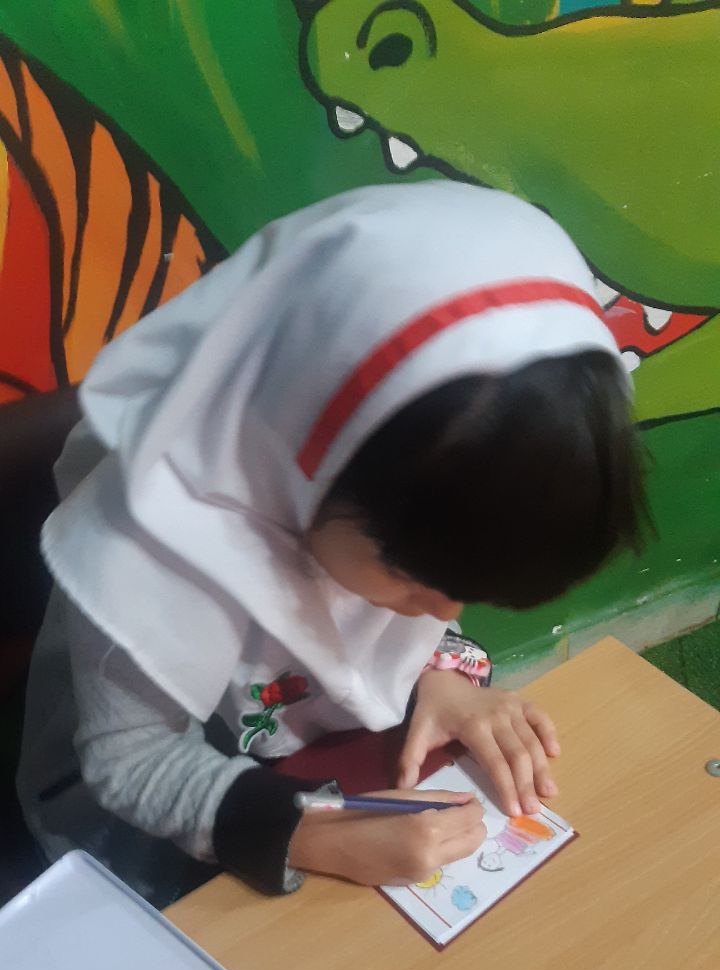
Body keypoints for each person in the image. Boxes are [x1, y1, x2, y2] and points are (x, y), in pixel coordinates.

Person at [17, 181, 647, 907]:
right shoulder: (154, 536)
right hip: (160, 822)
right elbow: (130, 760)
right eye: (416, 577)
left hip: (309, 760)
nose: (444, 610)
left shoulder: (395, 486)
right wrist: (310, 837)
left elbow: (416, 583)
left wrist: (437, 672)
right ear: (300, 461)